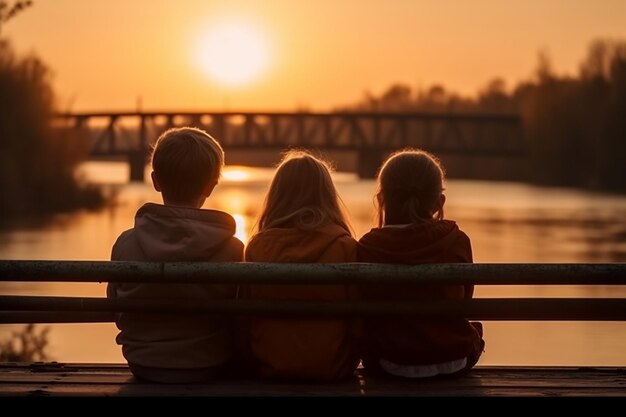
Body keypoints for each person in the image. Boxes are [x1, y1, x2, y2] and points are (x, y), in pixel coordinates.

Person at [107, 127, 244, 383]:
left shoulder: (126, 244)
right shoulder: (233, 249)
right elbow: (240, 319)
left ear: (155, 180)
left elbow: (117, 309)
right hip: (211, 364)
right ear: (211, 186)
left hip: (143, 364)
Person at [357, 149, 484, 379]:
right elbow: (465, 302)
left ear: (381, 200)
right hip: (453, 359)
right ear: (439, 202)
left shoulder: (368, 246)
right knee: (474, 330)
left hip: (388, 362)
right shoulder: (457, 241)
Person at [243, 150, 360, 381]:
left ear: (276, 196)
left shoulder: (257, 248)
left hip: (268, 366)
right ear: (328, 196)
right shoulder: (345, 247)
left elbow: (244, 319)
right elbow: (358, 323)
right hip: (334, 368)